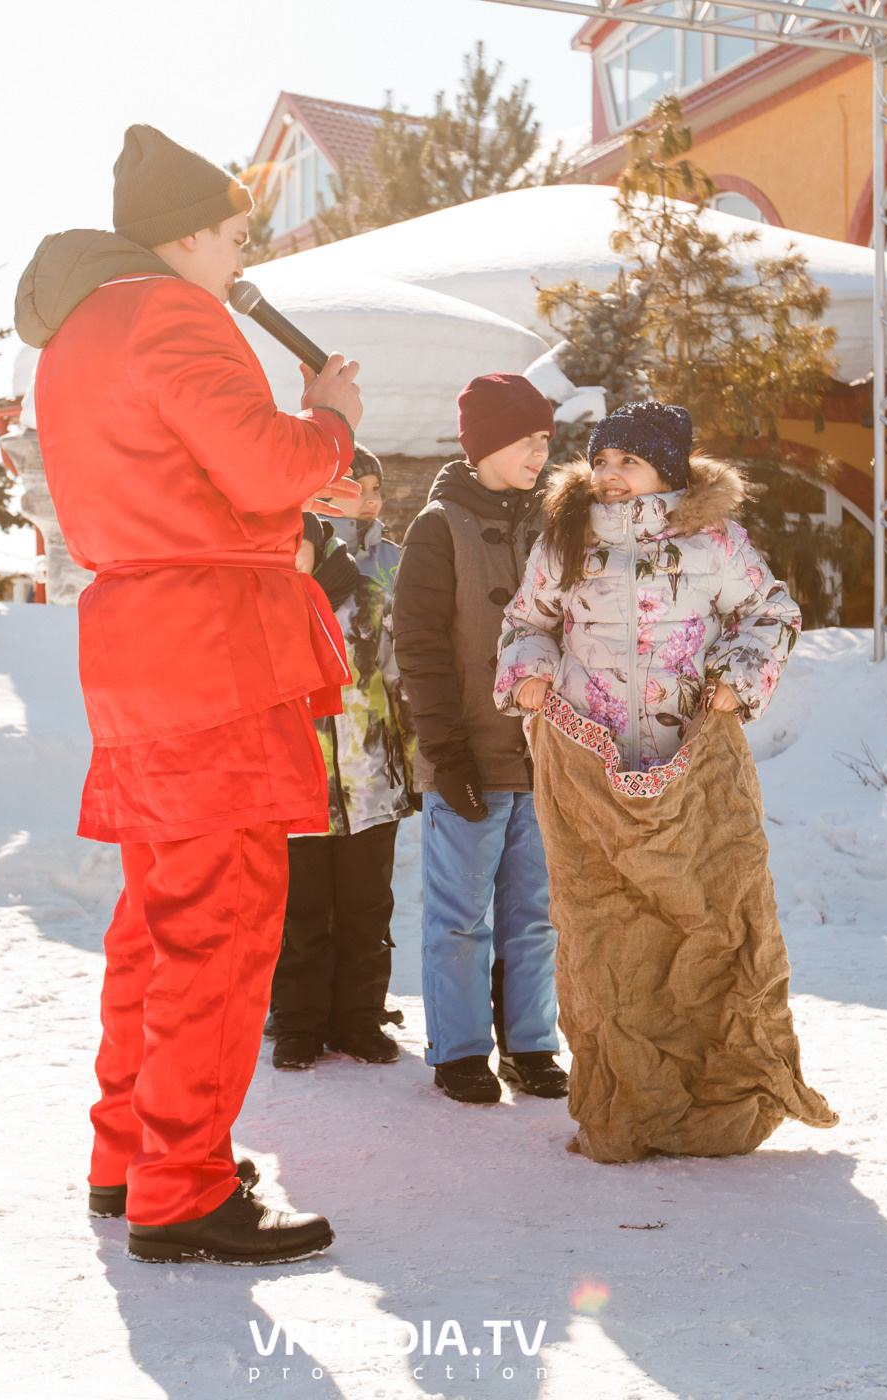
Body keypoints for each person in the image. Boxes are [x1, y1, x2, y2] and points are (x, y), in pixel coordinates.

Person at [17, 124, 363, 1265]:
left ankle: (130, 1156)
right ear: (188, 236)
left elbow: (184, 479)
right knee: (222, 922)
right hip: (214, 651)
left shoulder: (76, 334)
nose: (241, 257)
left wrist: (286, 497)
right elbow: (263, 463)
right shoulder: (170, 311)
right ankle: (184, 1187)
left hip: (139, 643)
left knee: (159, 922)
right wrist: (330, 419)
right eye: (235, 235)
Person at [496, 402, 835, 1162]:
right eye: (601, 460)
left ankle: (716, 1099)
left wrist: (737, 679)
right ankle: (625, 1104)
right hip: (589, 763)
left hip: (690, 764)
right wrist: (530, 675)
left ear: (668, 471)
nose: (609, 475)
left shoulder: (715, 543)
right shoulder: (566, 540)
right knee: (605, 931)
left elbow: (771, 613)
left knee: (707, 921)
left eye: (629, 461)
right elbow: (527, 621)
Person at [392, 373, 566, 1106]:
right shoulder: (438, 527)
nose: (539, 453)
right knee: (460, 918)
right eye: (525, 439)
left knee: (536, 916)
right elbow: (419, 649)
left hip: (543, 758)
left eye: (545, 440)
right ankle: (460, 1051)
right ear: (487, 441)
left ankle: (530, 1045)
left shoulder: (555, 524)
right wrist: (446, 754)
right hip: (467, 755)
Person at [269, 450, 415, 1071]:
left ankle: (359, 1017)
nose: (288, 556)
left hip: (368, 780)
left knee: (365, 908)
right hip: (295, 787)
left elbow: (399, 682)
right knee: (300, 913)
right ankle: (298, 1023)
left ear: (316, 540)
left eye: (295, 546)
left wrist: (413, 763)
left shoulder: (368, 598)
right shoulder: (266, 605)